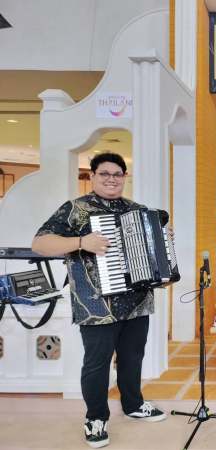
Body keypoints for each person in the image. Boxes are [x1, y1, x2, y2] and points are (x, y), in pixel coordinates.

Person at [31, 152, 166, 449]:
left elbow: (153, 251)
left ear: (124, 177)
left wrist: (162, 267)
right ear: (92, 176)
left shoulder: (138, 210)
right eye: (104, 173)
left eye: (117, 174)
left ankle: (133, 404)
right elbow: (39, 244)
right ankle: (95, 417)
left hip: (137, 302)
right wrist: (82, 242)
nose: (111, 179)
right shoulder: (75, 209)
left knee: (133, 358)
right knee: (97, 364)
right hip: (95, 305)